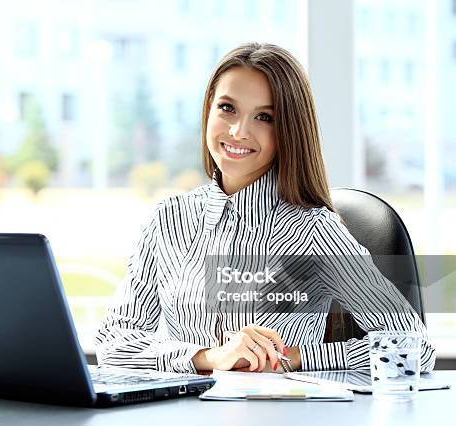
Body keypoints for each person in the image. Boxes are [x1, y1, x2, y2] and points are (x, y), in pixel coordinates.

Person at [95, 42, 436, 374]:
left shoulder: (313, 231)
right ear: (208, 110)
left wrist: (293, 356)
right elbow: (113, 342)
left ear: (288, 131)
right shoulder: (168, 219)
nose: (238, 131)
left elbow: (413, 346)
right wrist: (209, 357)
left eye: (264, 117)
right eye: (227, 108)